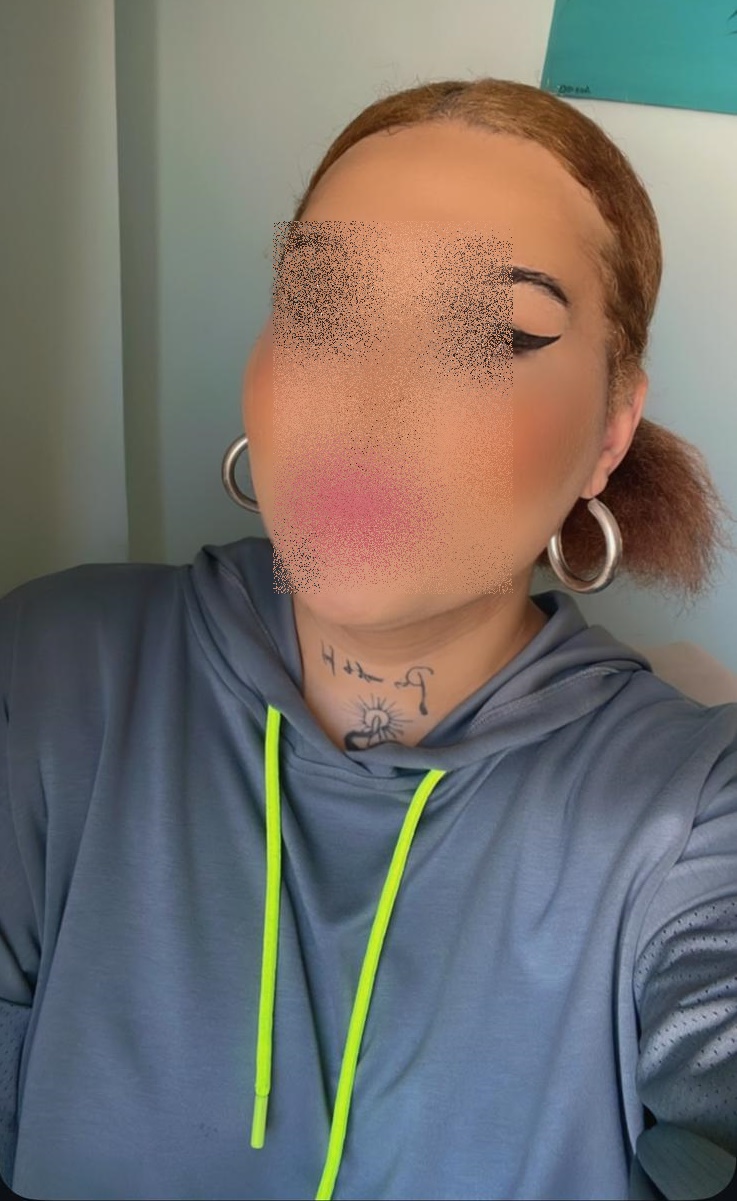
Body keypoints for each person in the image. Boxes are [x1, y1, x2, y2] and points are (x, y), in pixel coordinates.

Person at [1, 77, 736, 1201]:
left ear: (608, 432)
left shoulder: (685, 807)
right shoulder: (51, 675)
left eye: (490, 332)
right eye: (320, 306)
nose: (367, 401)